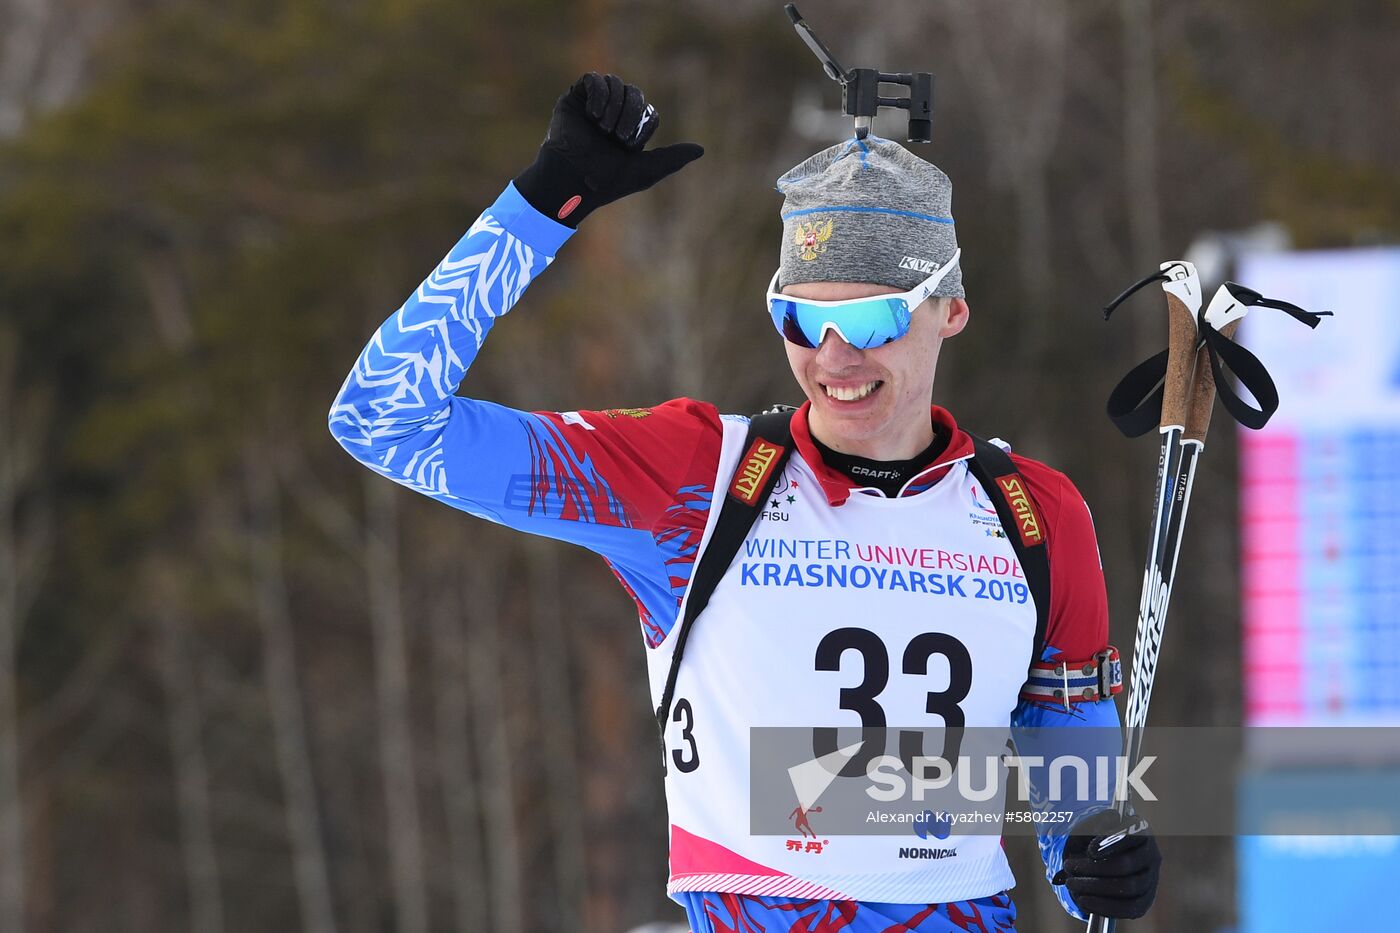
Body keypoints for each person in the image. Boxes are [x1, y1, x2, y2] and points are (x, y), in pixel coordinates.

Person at [329, 73, 1162, 932]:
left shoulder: (1033, 512)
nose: (833, 356)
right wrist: (546, 202)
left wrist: (1092, 852)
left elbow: (1066, 729)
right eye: (799, 319)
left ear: (949, 310)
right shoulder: (695, 478)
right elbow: (384, 419)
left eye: (872, 321)